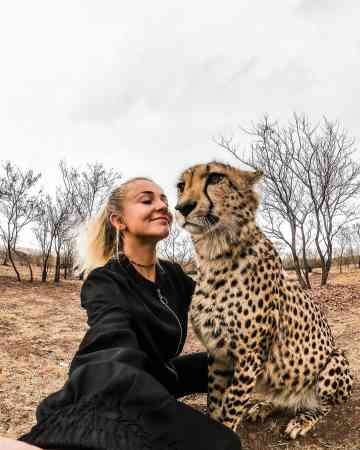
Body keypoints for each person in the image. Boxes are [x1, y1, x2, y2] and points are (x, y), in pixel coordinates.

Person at [18, 177, 241, 450]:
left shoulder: (172, 275)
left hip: (165, 376)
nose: (162, 206)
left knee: (234, 362)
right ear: (119, 221)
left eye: (164, 200)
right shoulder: (105, 280)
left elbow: (218, 302)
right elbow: (109, 336)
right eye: (147, 200)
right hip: (124, 382)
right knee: (223, 445)